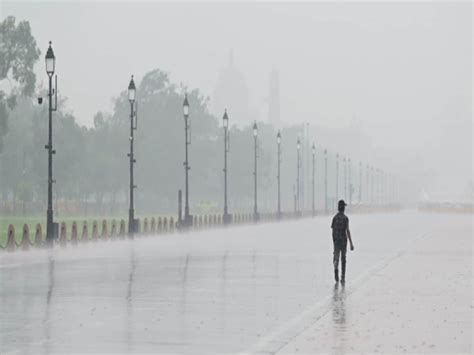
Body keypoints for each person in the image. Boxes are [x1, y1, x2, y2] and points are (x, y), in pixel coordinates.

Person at [331, 200, 354, 284]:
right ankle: (343, 277)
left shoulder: (334, 218)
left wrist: (334, 241)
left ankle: (336, 268)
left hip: (336, 241)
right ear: (343, 208)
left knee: (336, 257)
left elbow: (333, 231)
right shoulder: (345, 218)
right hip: (343, 241)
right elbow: (347, 230)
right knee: (343, 259)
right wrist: (351, 243)